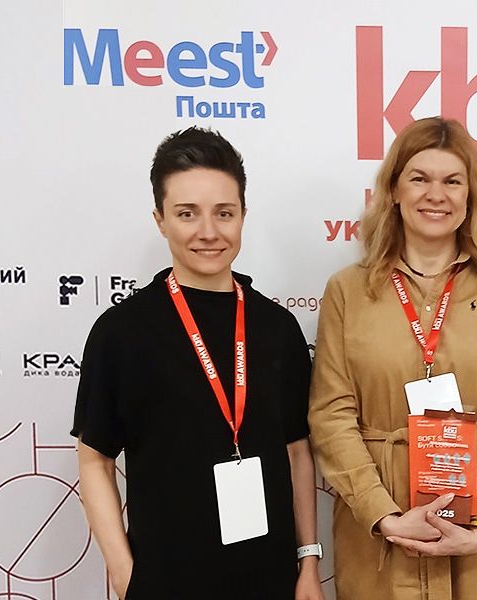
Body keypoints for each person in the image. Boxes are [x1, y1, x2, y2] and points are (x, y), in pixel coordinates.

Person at [72, 127, 325, 599]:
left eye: (224, 213)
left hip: (271, 581)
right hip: (166, 583)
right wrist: (126, 575)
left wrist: (308, 561)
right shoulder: (122, 332)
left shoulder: (277, 327)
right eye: (187, 213)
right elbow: (95, 460)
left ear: (243, 216)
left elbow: (297, 452)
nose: (208, 232)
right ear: (160, 220)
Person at [308, 117, 477, 600]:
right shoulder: (347, 291)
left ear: (470, 196)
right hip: (381, 538)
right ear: (394, 190)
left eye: (452, 181)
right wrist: (383, 514)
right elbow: (331, 416)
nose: (436, 194)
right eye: (419, 178)